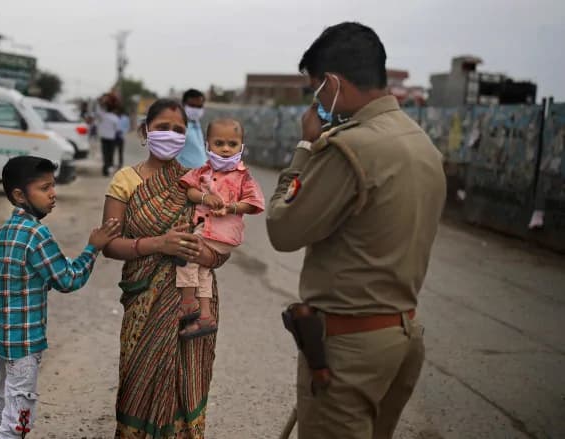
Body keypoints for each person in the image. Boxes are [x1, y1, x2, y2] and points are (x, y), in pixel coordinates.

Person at [266, 22, 447, 439]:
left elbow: (282, 229)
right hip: (400, 336)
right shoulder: (421, 143)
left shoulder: (351, 147)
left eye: (316, 90)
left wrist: (305, 149)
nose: (316, 102)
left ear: (332, 82)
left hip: (350, 349)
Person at [102, 99, 230, 437]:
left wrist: (208, 255)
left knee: (186, 381)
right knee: (138, 380)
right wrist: (158, 244)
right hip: (144, 300)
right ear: (145, 131)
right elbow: (109, 244)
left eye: (178, 130)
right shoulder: (125, 181)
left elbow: (224, 243)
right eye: (162, 128)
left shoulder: (198, 184)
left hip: (190, 305)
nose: (170, 135)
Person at [0, 156, 120, 439]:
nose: (53, 194)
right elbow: (68, 279)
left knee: (4, 395)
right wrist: (92, 249)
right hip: (24, 340)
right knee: (20, 408)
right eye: (45, 188)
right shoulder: (38, 234)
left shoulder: (1, 235)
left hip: (1, 336)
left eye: (53, 186)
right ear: (20, 195)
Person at [176, 118, 265, 339]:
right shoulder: (202, 171)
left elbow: (255, 203)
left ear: (241, 147)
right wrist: (205, 196)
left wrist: (230, 207)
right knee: (202, 271)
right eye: (219, 143)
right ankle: (205, 315)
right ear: (207, 145)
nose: (225, 149)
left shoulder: (243, 176)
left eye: (232, 144)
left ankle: (188, 303)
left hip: (221, 234)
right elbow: (189, 191)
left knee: (186, 253)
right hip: (207, 230)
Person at [176, 89, 208, 169]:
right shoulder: (178, 127)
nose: (196, 110)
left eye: (199, 106)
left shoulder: (196, 123)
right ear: (183, 105)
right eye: (192, 106)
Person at [97, 94, 120, 176]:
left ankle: (105, 169)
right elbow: (117, 129)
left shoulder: (103, 116)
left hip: (103, 138)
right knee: (110, 154)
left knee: (105, 154)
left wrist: (101, 102)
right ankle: (108, 168)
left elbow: (98, 110)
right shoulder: (115, 118)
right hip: (111, 138)